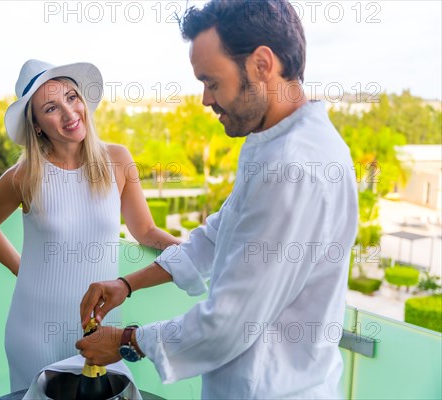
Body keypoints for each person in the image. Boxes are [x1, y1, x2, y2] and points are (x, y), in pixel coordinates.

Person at [76, 1, 359, 398]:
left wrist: (126, 341)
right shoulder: (275, 145)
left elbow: (229, 323)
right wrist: (127, 283)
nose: (205, 100)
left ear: (262, 64)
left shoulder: (293, 168)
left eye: (211, 82)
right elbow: (216, 236)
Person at [0, 59, 181, 391]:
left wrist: (196, 253)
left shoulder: (117, 159)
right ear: (37, 124)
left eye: (72, 97)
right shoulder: (23, 176)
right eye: (52, 107)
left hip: (100, 327)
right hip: (34, 328)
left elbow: (144, 231)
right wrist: (22, 270)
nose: (70, 113)